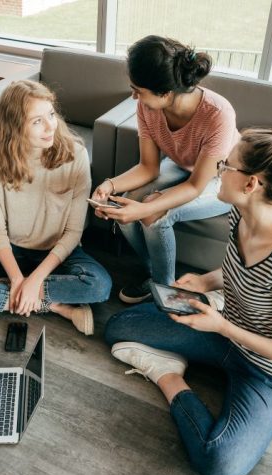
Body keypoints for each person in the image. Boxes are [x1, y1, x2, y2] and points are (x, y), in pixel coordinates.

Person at [104, 123, 272, 475]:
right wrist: (207, 281)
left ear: (251, 184)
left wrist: (221, 326)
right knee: (118, 328)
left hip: (266, 372)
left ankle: (169, 376)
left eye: (227, 166)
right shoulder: (240, 214)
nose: (218, 171)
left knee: (219, 465)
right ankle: (180, 355)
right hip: (223, 334)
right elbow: (237, 267)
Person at [0, 80, 112, 335]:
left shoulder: (76, 155)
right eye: (37, 121)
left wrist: (36, 279)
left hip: (57, 251)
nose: (51, 126)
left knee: (99, 286)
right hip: (11, 248)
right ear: (16, 126)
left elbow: (73, 233)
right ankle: (55, 306)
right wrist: (19, 280)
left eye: (50, 114)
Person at [92, 35, 239, 303]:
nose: (134, 95)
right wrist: (110, 185)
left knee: (153, 214)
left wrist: (147, 208)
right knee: (124, 204)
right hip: (182, 165)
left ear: (166, 92)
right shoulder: (146, 107)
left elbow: (196, 185)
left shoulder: (218, 114)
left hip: (223, 178)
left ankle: (166, 290)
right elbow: (148, 168)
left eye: (139, 89)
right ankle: (153, 273)